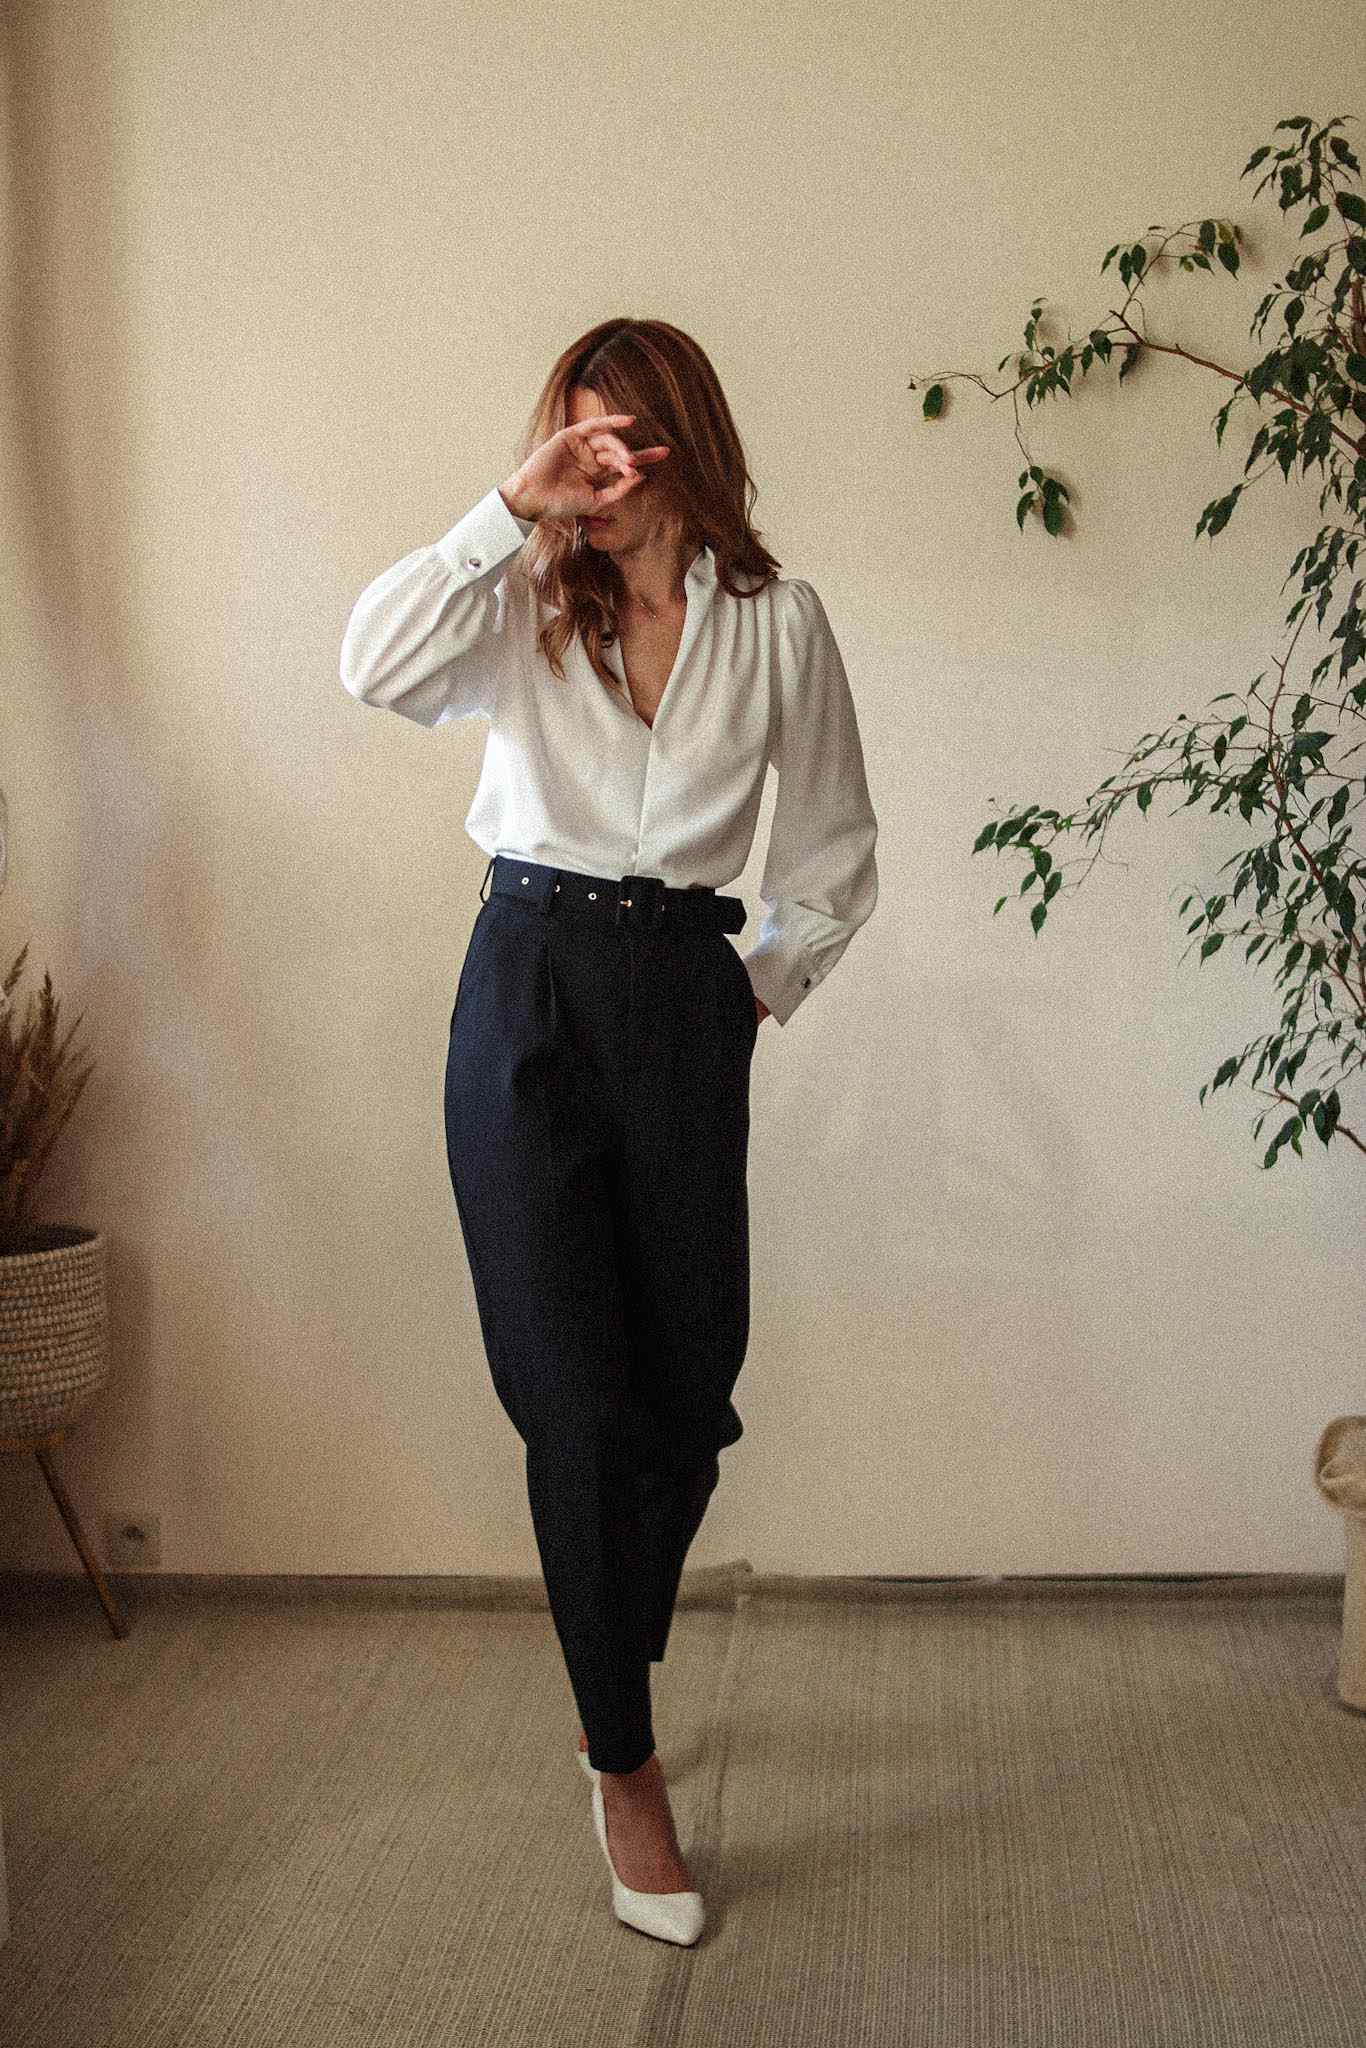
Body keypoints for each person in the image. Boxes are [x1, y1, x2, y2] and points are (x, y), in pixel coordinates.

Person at [339, 316, 878, 1945]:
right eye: (585, 435)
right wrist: (505, 510)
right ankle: (622, 1759)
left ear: (689, 441)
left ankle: (607, 1646)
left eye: (637, 434)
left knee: (687, 1392)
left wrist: (749, 993)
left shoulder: (775, 621)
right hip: (527, 988)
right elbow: (372, 667)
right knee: (571, 1402)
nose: (612, 464)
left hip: (681, 999)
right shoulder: (516, 598)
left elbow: (833, 848)